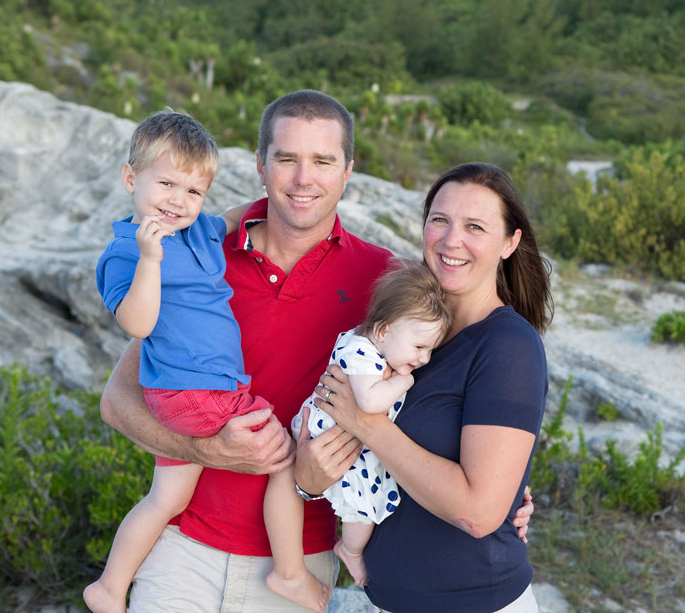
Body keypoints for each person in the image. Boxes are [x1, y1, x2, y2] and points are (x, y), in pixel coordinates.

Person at [98, 93, 533, 613]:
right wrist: (205, 450)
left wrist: (509, 496)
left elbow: (448, 400)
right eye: (286, 158)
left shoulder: (386, 284)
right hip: (183, 548)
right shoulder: (196, 259)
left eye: (323, 161)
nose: (304, 178)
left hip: (299, 563)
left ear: (347, 171)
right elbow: (118, 401)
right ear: (260, 166)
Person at [86, 111, 329, 613]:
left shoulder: (197, 232)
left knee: (166, 498)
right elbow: (137, 323)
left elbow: (233, 218)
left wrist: (279, 198)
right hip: (197, 393)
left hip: (196, 390)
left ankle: (109, 588)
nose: (178, 201)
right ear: (132, 178)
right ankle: (290, 574)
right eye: (166, 184)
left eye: (193, 192)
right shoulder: (126, 253)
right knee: (286, 446)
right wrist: (150, 261)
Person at [314, 162, 553, 613]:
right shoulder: (408, 331)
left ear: (510, 242)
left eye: (475, 227)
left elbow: (478, 512)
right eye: (439, 220)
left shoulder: (509, 347)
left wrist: (366, 424)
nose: (451, 240)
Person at [291, 261, 453, 588]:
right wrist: (403, 382)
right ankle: (350, 550)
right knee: (361, 509)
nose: (423, 359)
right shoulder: (361, 350)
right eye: (419, 347)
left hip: (340, 436)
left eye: (430, 350)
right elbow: (369, 402)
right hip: (330, 435)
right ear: (383, 331)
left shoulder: (375, 350)